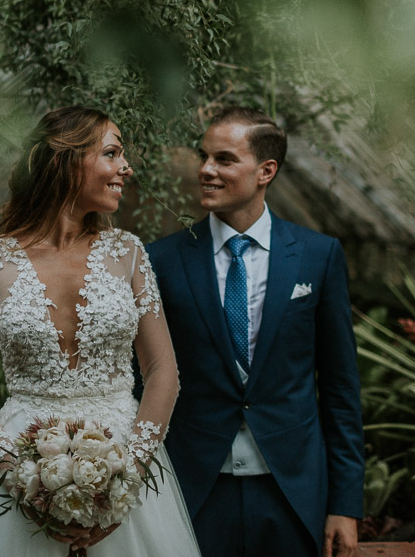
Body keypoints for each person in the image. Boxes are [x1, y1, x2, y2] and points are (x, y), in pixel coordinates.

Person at [0, 106, 201, 556]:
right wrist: (17, 476)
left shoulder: (129, 253)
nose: (126, 167)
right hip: (21, 462)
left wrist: (126, 479)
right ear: (64, 163)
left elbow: (163, 370)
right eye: (112, 153)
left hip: (123, 455)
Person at [146, 106, 365, 557]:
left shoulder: (317, 256)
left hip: (292, 492)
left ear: (266, 171)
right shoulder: (160, 261)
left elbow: (341, 388)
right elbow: (139, 379)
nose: (206, 170)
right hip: (192, 490)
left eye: (224, 159)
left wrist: (346, 504)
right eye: (204, 156)